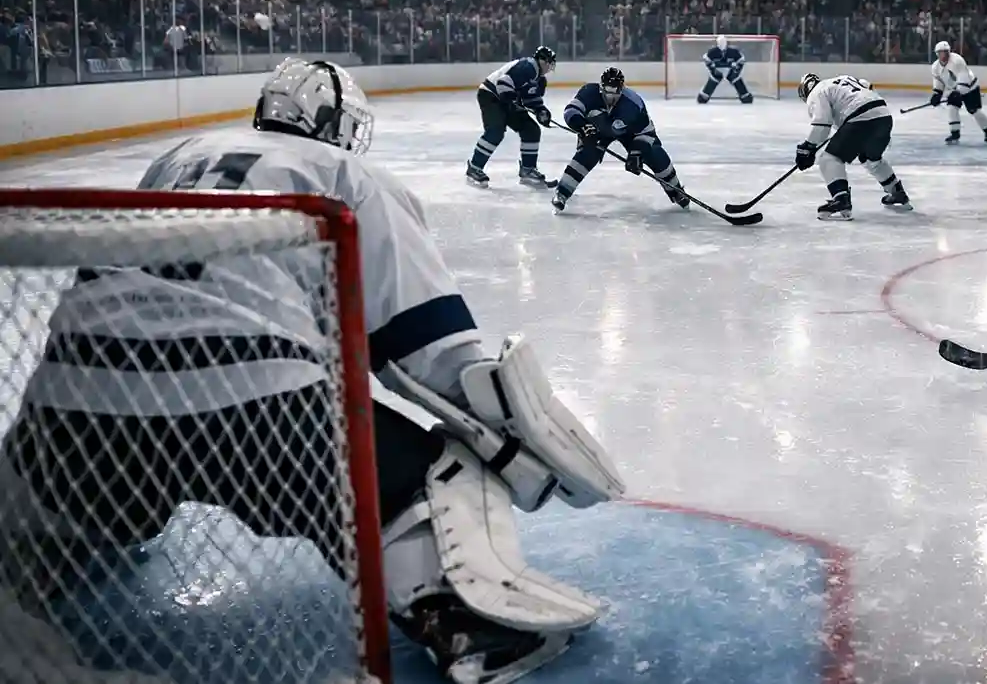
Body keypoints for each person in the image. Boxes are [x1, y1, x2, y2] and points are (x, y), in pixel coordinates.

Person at [1, 58, 625, 683]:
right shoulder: (344, 173)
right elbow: (430, 350)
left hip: (75, 404)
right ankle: (465, 626)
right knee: (440, 471)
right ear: (335, 125)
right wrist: (512, 438)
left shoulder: (179, 156)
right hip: (253, 411)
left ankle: (67, 544)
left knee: (84, 492)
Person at [555, 66, 689, 213]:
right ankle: (562, 193)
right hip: (598, 130)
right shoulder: (589, 92)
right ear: (601, 87)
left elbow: (646, 133)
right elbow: (571, 111)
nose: (611, 98)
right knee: (587, 154)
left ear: (622, 89)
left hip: (630, 133)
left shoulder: (632, 103)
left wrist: (637, 152)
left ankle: (677, 191)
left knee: (655, 154)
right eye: (607, 91)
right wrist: (583, 127)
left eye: (615, 93)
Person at [796, 73, 911, 221]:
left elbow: (821, 124)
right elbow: (867, 86)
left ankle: (841, 199)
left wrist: (807, 147)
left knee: (829, 158)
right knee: (870, 159)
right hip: (883, 116)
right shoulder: (840, 80)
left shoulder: (817, 92)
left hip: (860, 118)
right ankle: (897, 192)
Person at [467, 46, 557, 189]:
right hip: (491, 95)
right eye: (549, 62)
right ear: (541, 60)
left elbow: (531, 99)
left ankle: (527, 169)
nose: (550, 67)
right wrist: (511, 99)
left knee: (531, 130)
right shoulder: (528, 66)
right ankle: (474, 167)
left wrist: (541, 111)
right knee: (495, 131)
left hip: (505, 100)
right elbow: (504, 81)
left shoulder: (539, 79)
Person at [929, 40, 987, 145]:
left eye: (945, 52)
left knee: (974, 111)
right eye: (941, 52)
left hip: (970, 87)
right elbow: (939, 82)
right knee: (952, 108)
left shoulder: (957, 60)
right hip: (954, 89)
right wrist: (937, 94)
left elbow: (963, 77)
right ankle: (955, 133)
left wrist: (958, 92)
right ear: (937, 54)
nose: (943, 55)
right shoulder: (935, 67)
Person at [697, 34, 753, 104]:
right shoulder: (712, 52)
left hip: (731, 71)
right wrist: (713, 69)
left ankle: (745, 96)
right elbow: (706, 59)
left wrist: (736, 70)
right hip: (717, 71)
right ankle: (704, 96)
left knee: (736, 79)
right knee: (713, 79)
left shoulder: (733, 52)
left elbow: (741, 60)